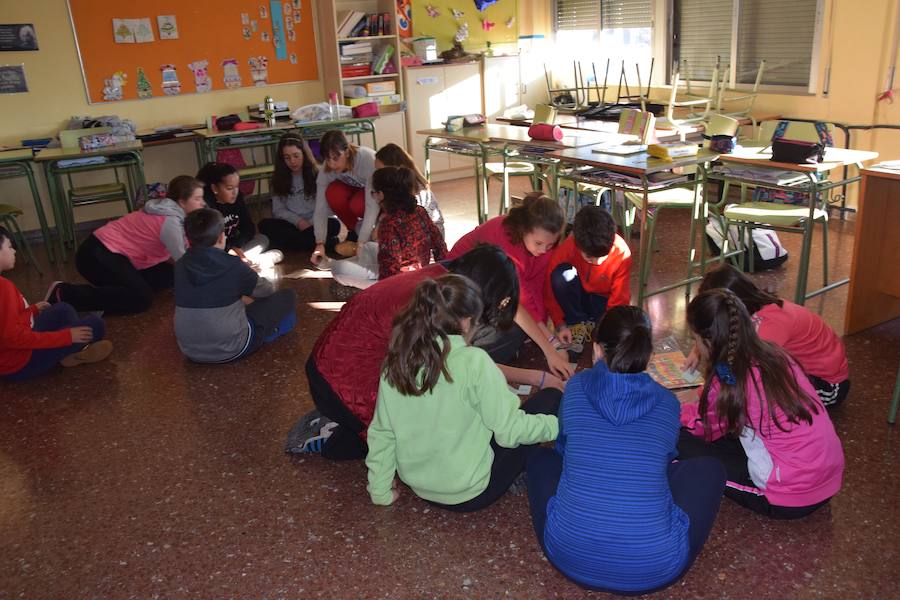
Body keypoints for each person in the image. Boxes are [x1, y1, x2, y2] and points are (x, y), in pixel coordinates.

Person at [291, 244, 564, 460]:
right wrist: (537, 379)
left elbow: (466, 359)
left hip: (335, 363)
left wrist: (544, 357)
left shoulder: (449, 279)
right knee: (425, 441)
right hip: (342, 385)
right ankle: (331, 435)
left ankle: (341, 421)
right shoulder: (436, 310)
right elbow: (461, 364)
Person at [525, 306, 725, 594]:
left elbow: (564, 451)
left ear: (596, 350)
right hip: (655, 567)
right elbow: (668, 459)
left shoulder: (575, 388)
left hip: (568, 553)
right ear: (648, 356)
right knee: (710, 469)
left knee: (541, 458)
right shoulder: (667, 403)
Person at [366, 275, 560, 511]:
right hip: (472, 492)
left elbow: (382, 432)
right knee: (550, 399)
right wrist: (557, 426)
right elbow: (510, 432)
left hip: (421, 487)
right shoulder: (474, 361)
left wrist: (380, 490)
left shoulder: (397, 361)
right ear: (466, 322)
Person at [678, 288, 845, 519]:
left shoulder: (730, 379)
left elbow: (702, 425)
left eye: (696, 340)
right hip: (828, 476)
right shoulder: (776, 354)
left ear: (708, 341)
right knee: (728, 434)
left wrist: (668, 410)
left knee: (677, 440)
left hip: (789, 496)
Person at [686, 263, 850, 407]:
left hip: (828, 386)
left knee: (755, 392)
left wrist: (702, 394)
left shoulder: (770, 325)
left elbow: (740, 371)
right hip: (810, 372)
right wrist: (699, 348)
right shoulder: (757, 308)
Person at [448, 192, 573, 380]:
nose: (543, 250)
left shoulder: (543, 244)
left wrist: (550, 334)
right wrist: (550, 346)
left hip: (493, 296)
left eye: (550, 245)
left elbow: (538, 287)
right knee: (517, 325)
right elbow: (518, 302)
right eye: (539, 243)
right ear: (523, 229)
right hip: (463, 292)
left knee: (522, 328)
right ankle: (472, 359)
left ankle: (488, 355)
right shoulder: (504, 239)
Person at [45, 175, 206, 314]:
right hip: (95, 255)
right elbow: (184, 261)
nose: (203, 203)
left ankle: (127, 289)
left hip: (111, 254)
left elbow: (176, 257)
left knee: (169, 274)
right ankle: (64, 293)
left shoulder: (173, 214)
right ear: (182, 202)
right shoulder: (171, 221)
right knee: (141, 299)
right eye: (198, 199)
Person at [174, 208, 297, 363]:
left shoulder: (180, 265)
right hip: (233, 348)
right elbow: (266, 290)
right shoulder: (232, 264)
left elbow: (205, 293)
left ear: (188, 238)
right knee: (287, 296)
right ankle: (269, 333)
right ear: (221, 237)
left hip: (190, 350)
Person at [0, 227, 111, 380]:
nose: (14, 251)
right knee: (95, 324)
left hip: (12, 351)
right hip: (19, 363)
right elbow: (12, 337)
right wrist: (66, 337)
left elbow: (6, 321)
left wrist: (32, 310)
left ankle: (70, 352)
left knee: (63, 309)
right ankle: (74, 351)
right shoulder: (3, 287)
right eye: (9, 246)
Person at [331, 166, 446, 292]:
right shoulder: (420, 211)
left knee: (337, 268)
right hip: (419, 271)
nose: (373, 196)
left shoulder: (389, 224)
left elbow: (390, 269)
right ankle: (362, 268)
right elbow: (439, 243)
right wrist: (444, 271)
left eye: (373, 193)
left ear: (381, 195)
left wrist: (386, 293)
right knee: (368, 247)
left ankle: (364, 281)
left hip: (402, 283)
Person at [545, 205, 632, 358]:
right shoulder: (568, 248)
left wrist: (606, 332)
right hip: (578, 299)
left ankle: (594, 326)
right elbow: (549, 288)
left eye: (603, 256)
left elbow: (619, 300)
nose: (597, 262)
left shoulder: (622, 252)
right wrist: (560, 324)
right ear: (577, 245)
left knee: (617, 332)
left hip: (603, 304)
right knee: (561, 276)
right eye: (590, 258)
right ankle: (577, 324)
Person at [258, 136, 340, 252]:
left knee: (334, 225)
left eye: (296, 156)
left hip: (317, 222)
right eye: (287, 158)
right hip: (293, 224)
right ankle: (323, 243)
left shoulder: (319, 174)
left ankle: (294, 244)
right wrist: (299, 222)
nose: (292, 161)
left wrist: (310, 223)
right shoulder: (278, 179)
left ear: (304, 154)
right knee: (264, 225)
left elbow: (326, 207)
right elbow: (278, 210)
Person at [311, 131, 379, 267]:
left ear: (347, 152)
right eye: (327, 159)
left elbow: (372, 204)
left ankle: (368, 235)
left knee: (357, 204)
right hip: (356, 192)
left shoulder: (367, 159)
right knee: (333, 193)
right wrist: (320, 243)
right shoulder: (327, 169)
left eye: (336, 158)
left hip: (376, 196)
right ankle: (353, 231)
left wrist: (362, 241)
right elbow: (320, 208)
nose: (332, 164)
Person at [196, 162, 270, 259]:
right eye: (229, 188)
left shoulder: (238, 198)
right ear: (215, 188)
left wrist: (236, 246)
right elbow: (210, 241)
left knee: (262, 240)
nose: (235, 192)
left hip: (236, 247)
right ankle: (237, 261)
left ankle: (236, 260)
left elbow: (248, 227)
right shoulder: (207, 205)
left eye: (237, 187)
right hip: (218, 251)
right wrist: (228, 249)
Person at [374, 143, 444, 236]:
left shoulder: (415, 191)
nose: (378, 176)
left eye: (381, 171)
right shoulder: (398, 185)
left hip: (423, 239)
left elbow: (412, 227)